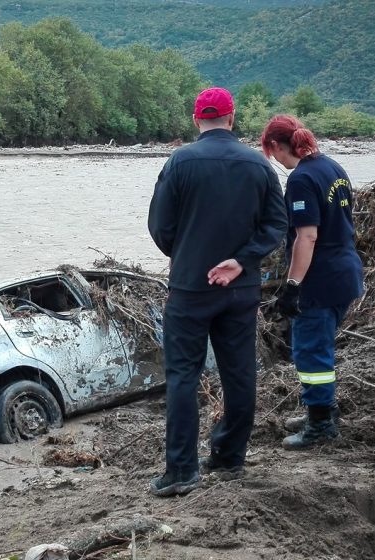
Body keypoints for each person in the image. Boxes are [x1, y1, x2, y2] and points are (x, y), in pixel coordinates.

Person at [147, 87, 288, 496]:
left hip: (191, 287)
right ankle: (229, 456)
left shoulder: (179, 162)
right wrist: (242, 260)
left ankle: (182, 470)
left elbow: (159, 226)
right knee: (240, 372)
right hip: (241, 288)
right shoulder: (258, 165)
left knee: (182, 377)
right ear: (231, 118)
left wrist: (188, 254)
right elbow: (276, 226)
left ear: (197, 121)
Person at [260, 114, 364, 449]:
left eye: (270, 151)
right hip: (346, 270)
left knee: (311, 351)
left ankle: (321, 425)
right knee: (320, 347)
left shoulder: (302, 180)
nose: (273, 159)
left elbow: (307, 237)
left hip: (321, 278)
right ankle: (322, 410)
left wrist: (291, 286)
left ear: (276, 146)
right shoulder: (332, 167)